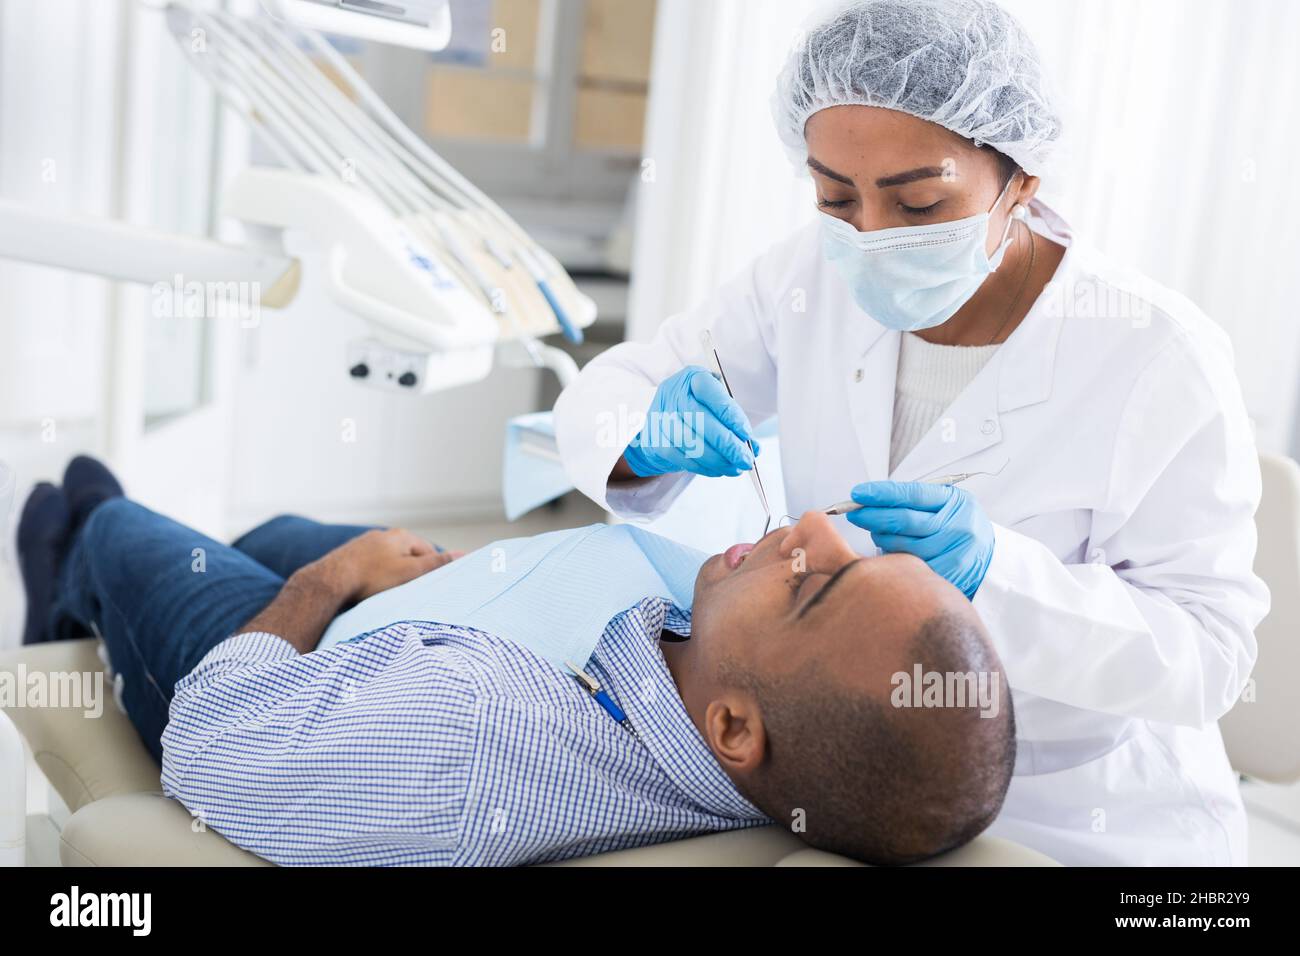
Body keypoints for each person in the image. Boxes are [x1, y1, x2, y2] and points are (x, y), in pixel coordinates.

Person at [553, 0, 1268, 865]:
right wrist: (644, 430)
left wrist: (997, 576)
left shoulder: (1156, 357)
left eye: (920, 203)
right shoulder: (805, 276)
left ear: (1022, 182)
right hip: (837, 779)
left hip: (1076, 814)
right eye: (834, 196)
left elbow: (1208, 656)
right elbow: (612, 391)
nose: (872, 238)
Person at [16, 456, 1015, 867]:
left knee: (107, 519)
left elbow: (215, 737)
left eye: (813, 582)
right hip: (453, 598)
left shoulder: (466, 732)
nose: (809, 524)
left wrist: (329, 580)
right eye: (857, 546)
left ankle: (61, 588)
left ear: (734, 729)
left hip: (307, 662)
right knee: (270, 523)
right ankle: (119, 562)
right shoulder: (749, 687)